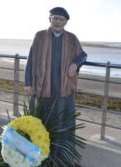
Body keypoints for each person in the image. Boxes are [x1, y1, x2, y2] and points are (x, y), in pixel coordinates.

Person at [25, 7, 87, 139]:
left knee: (62, 122)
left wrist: (76, 64)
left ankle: (63, 153)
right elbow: (30, 60)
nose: (58, 22)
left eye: (61, 19)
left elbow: (83, 55)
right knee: (40, 119)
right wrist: (28, 83)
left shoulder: (72, 38)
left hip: (63, 89)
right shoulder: (39, 36)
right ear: (50, 19)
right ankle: (40, 151)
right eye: (55, 18)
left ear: (66, 22)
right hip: (41, 88)